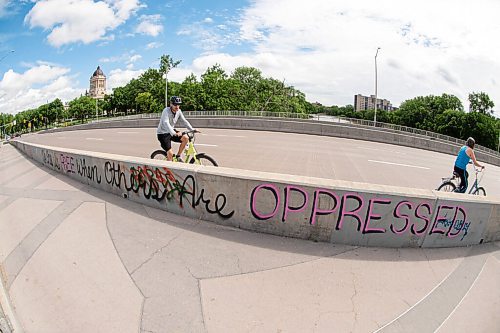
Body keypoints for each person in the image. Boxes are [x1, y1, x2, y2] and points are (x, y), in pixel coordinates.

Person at [156, 96, 198, 161]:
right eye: (175, 104)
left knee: (186, 138)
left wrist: (192, 129)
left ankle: (178, 156)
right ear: (171, 104)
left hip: (172, 131)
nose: (177, 106)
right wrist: (174, 133)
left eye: (178, 105)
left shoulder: (179, 111)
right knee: (170, 155)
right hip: (163, 134)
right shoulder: (166, 111)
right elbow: (166, 123)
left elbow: (184, 121)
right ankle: (168, 170)